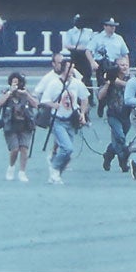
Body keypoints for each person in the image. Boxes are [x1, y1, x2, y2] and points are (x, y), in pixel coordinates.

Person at [35, 51, 89, 185]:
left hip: (71, 120)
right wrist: (54, 104)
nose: (72, 70)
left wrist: (82, 113)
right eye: (69, 68)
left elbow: (84, 98)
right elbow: (45, 100)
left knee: (68, 153)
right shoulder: (54, 83)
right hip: (58, 120)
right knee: (67, 148)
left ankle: (56, 173)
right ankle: (54, 167)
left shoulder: (77, 83)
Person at [0, 71, 37, 181]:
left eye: (17, 83)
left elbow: (36, 104)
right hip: (10, 124)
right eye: (13, 83)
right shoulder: (6, 92)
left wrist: (26, 95)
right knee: (14, 149)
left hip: (25, 124)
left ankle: (22, 172)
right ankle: (11, 167)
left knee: (24, 149)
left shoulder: (26, 93)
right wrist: (10, 92)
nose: (15, 85)